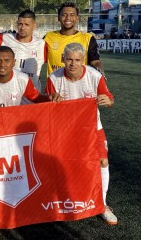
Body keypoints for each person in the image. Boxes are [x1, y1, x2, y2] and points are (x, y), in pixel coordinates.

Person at [45, 42, 117, 225]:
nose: (73, 64)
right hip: (64, 131)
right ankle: (58, 202)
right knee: (59, 164)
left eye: (77, 60)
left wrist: (106, 100)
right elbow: (46, 104)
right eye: (69, 59)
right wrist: (51, 99)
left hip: (92, 129)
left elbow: (109, 98)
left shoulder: (94, 75)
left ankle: (103, 204)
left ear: (83, 60)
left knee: (103, 161)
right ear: (62, 59)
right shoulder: (54, 78)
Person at [0, 9, 46, 93]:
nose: (22, 28)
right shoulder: (5, 38)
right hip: (9, 91)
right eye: (20, 24)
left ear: (34, 26)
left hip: (32, 95)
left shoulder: (42, 44)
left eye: (26, 25)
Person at [44, 1, 104, 76]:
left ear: (77, 18)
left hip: (79, 85)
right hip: (55, 85)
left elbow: (95, 62)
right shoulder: (48, 37)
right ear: (58, 18)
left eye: (72, 15)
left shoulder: (88, 38)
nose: (68, 18)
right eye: (64, 15)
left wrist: (101, 73)